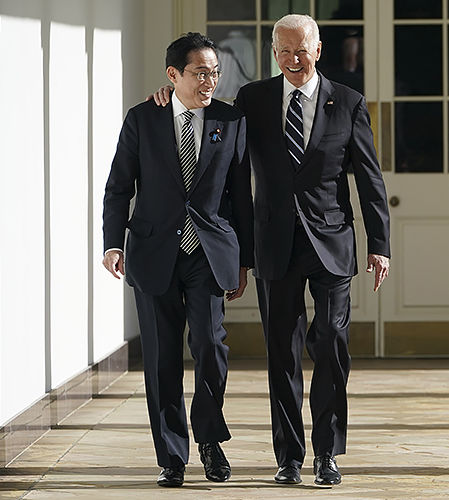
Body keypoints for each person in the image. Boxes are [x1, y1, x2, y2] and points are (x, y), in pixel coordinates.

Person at [152, 13, 390, 487]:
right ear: (274, 53)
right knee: (281, 353)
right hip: (273, 246)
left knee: (332, 348)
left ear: (318, 50)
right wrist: (163, 100)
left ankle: (327, 454)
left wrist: (379, 245)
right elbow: (223, 150)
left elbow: (369, 180)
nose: (293, 59)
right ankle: (290, 457)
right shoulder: (253, 99)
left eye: (301, 50)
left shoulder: (348, 102)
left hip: (332, 244)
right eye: (283, 50)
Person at [103, 32, 253, 488]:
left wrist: (243, 259)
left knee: (210, 348)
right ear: (173, 75)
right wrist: (112, 244)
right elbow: (118, 186)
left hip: (208, 255)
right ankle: (171, 454)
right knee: (162, 358)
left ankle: (209, 440)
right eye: (199, 72)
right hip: (152, 254)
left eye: (214, 72)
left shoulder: (230, 119)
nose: (209, 80)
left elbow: (240, 195)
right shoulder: (143, 118)